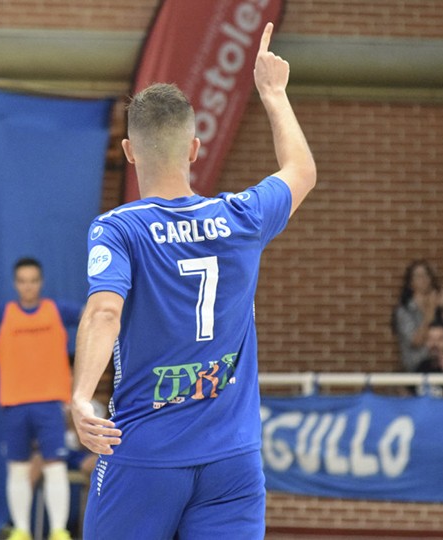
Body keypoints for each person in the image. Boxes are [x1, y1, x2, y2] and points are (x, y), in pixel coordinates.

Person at [70, 23, 316, 539]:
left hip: (145, 457)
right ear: (195, 149)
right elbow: (301, 169)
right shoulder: (241, 216)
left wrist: (80, 394)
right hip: (233, 462)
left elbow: (104, 311)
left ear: (130, 152)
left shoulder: (119, 229)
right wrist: (273, 93)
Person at [0, 257, 81, 540]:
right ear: (16, 284)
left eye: (33, 281)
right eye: (23, 281)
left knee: (55, 465)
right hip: (14, 403)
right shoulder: (5, 312)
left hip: (49, 402)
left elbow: (91, 315)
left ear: (41, 282)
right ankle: (21, 530)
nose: (28, 286)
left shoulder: (57, 311)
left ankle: (59, 530)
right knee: (18, 467)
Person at [392, 260, 443, 371]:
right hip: (417, 367)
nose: (423, 279)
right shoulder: (404, 311)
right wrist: (433, 309)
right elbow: (416, 340)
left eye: (426, 274)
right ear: (410, 283)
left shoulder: (438, 307)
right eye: (418, 275)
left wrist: (440, 309)